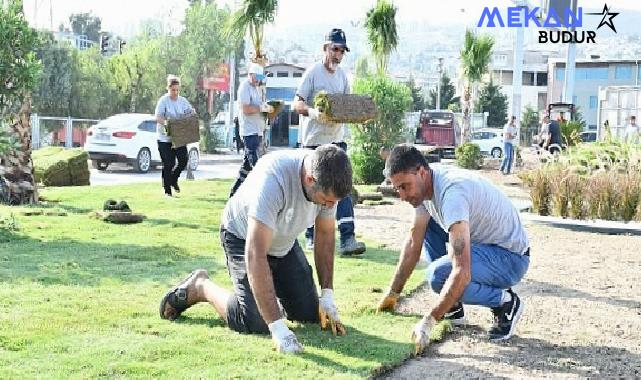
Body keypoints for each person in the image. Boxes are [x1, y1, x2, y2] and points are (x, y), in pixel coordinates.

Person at [159, 145, 352, 354]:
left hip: (283, 242)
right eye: (327, 200)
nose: (330, 206)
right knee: (256, 321)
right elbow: (255, 254)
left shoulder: (327, 179)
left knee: (310, 314)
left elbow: (324, 235)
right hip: (242, 238)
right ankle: (201, 287)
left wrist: (327, 294)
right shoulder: (273, 181)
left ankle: (268, 294)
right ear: (310, 180)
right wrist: (278, 328)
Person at [376, 145, 530, 354]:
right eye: (397, 189)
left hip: (510, 258)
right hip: (485, 247)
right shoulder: (424, 186)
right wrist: (393, 293)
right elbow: (414, 241)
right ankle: (453, 304)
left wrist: (429, 321)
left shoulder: (452, 194)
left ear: (421, 172)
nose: (402, 196)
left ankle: (506, 303)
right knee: (427, 226)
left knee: (438, 276)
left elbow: (462, 271)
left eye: (405, 186)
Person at [293, 27, 366, 256]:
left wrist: (358, 116)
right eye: (335, 49)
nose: (338, 55)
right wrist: (314, 113)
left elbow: (345, 106)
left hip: (336, 141)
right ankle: (311, 236)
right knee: (314, 189)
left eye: (342, 51)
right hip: (314, 143)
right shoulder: (313, 73)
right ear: (325, 48)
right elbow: (296, 104)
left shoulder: (343, 76)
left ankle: (347, 238)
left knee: (343, 188)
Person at [229, 63, 274, 197]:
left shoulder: (257, 89)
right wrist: (261, 108)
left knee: (247, 167)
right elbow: (246, 109)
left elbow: (259, 107)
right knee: (256, 164)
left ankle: (234, 193)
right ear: (251, 75)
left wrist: (268, 112)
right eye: (256, 77)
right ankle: (262, 194)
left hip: (258, 131)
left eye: (260, 77)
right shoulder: (245, 88)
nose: (258, 80)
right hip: (249, 132)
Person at [155, 75, 195, 197]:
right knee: (168, 163)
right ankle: (167, 190)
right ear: (168, 88)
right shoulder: (163, 101)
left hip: (178, 137)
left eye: (177, 90)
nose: (175, 92)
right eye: (173, 90)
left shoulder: (182, 101)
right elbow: (158, 117)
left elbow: (191, 113)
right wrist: (167, 123)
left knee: (183, 160)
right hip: (164, 138)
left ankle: (174, 179)